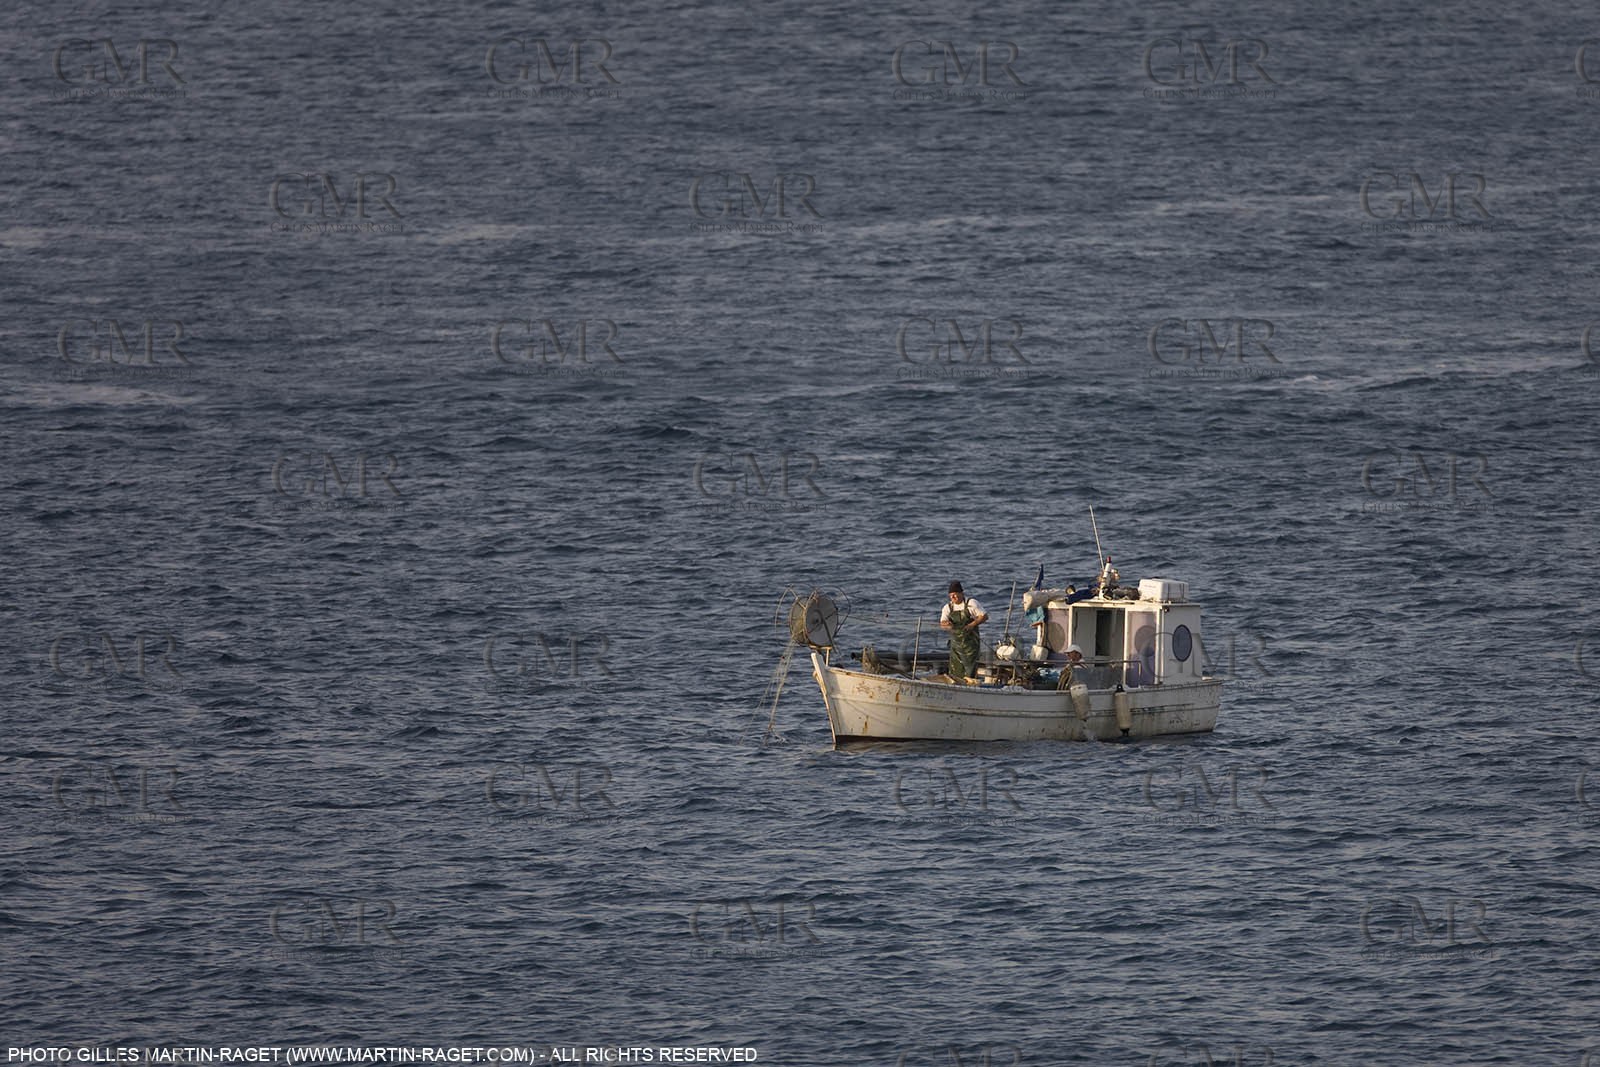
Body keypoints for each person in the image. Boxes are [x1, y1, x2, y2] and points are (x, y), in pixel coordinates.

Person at [939, 581, 988, 680]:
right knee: (955, 668)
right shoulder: (948, 607)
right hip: (956, 645)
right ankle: (956, 684)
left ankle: (970, 685)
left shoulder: (971, 603)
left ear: (961, 593)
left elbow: (984, 616)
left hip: (970, 644)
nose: (953, 597)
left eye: (955, 595)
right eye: (951, 595)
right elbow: (942, 623)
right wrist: (946, 624)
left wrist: (972, 624)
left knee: (969, 667)